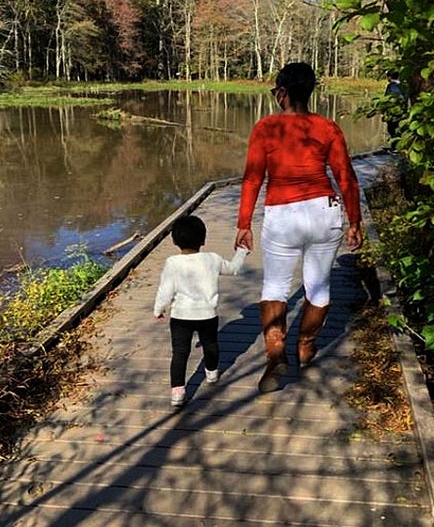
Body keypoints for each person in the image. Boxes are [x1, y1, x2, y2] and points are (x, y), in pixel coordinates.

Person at [234, 62, 364, 394]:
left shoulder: (266, 128)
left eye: (275, 92)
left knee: (275, 287)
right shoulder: (328, 127)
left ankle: (276, 354)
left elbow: (252, 179)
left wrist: (244, 223)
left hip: (282, 214)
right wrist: (355, 220)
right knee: (318, 288)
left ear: (282, 93)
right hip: (324, 213)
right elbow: (346, 177)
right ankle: (305, 346)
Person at [154, 214, 249, 407]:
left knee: (180, 353)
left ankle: (177, 393)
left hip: (181, 316)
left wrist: (159, 308)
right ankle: (212, 374)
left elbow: (165, 290)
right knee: (210, 344)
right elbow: (233, 269)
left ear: (174, 241)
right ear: (203, 240)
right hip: (207, 315)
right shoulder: (212, 259)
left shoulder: (172, 263)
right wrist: (242, 252)